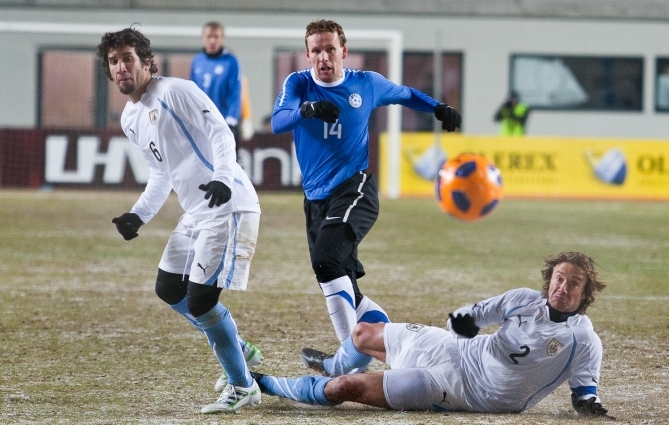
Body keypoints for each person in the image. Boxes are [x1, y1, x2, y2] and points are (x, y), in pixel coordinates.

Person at [271, 19, 462, 357]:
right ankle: (400, 352)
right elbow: (278, 121)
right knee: (347, 290)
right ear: (308, 55)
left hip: (354, 189)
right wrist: (308, 109)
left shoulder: (367, 85)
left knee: (326, 261)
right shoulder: (298, 84)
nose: (324, 57)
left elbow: (405, 95)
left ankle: (346, 359)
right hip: (316, 200)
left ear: (343, 51)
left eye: (330, 49)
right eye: (316, 51)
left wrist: (437, 108)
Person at [97, 27, 262, 414]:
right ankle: (239, 350)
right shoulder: (130, 117)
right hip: (196, 212)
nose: (121, 67)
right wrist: (139, 214)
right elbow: (161, 173)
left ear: (146, 62)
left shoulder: (176, 91)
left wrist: (223, 176)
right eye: (114, 61)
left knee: (201, 300)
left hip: (228, 203)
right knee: (168, 287)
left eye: (128, 59)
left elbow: (219, 131)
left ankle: (242, 386)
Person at [252, 252, 611, 418]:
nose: (563, 287)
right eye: (559, 279)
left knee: (344, 388)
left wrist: (591, 407)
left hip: (462, 390)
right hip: (452, 347)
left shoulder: (583, 340)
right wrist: (462, 323)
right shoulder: (522, 299)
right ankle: (332, 363)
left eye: (574, 283)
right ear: (550, 281)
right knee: (361, 333)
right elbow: (470, 315)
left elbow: (583, 396)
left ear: (585, 294)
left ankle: (263, 383)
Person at [190, 21, 244, 151]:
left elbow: (235, 92)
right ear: (203, 38)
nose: (212, 40)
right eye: (209, 36)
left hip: (224, 123)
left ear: (222, 39)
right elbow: (191, 92)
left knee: (227, 166)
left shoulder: (231, 61)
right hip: (202, 123)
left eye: (216, 37)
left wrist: (231, 120)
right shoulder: (197, 61)